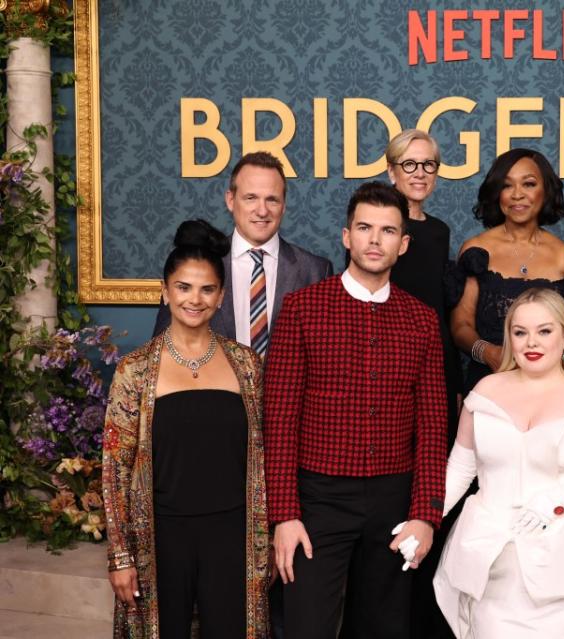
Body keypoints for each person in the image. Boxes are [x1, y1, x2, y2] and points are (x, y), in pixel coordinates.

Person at [263, 182, 447, 639]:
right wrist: (284, 514)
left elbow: (433, 425)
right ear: (346, 236)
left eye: (387, 231)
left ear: (403, 244)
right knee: (307, 626)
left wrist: (425, 515)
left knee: (383, 628)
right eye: (364, 227)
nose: (374, 239)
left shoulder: (421, 319)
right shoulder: (303, 308)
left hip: (394, 500)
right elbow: (280, 417)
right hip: (317, 498)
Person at [435, 288, 564, 639]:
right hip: (489, 558)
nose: (532, 342)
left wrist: (555, 500)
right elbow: (460, 471)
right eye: (520, 332)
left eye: (544, 331)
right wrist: (424, 519)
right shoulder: (484, 391)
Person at [102, 220, 269, 638]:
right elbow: (114, 470)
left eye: (207, 289)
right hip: (160, 536)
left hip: (233, 535)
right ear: (165, 290)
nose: (195, 299)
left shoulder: (246, 365)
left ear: (221, 296)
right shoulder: (135, 370)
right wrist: (120, 557)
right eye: (183, 287)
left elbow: (266, 454)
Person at [384, 129, 462, 639]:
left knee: (432, 491)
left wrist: (452, 382)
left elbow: (439, 312)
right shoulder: (378, 224)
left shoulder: (438, 233)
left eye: (429, 166)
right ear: (391, 170)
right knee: (392, 494)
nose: (419, 174)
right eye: (409, 164)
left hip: (434, 373)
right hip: (386, 377)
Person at [153, 151, 333, 356]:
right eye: (251, 198)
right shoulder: (198, 264)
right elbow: (163, 346)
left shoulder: (315, 270)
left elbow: (323, 356)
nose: (262, 211)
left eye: (272, 200)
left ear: (284, 205)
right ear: (230, 200)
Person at [450, 148, 564, 393]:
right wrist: (489, 353)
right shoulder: (476, 250)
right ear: (497, 194)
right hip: (489, 384)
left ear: (546, 191)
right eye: (507, 186)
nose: (518, 195)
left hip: (551, 389)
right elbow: (460, 326)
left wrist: (548, 361)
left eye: (528, 184)